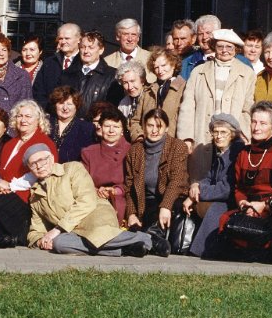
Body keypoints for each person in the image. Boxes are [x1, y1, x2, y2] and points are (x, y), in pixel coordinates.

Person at [26, 143, 168, 257]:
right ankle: (126, 249)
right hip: (72, 230)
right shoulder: (35, 196)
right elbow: (36, 229)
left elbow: (86, 201)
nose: (39, 166)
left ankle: (148, 239)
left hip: (94, 213)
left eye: (42, 160)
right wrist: (41, 241)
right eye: (33, 164)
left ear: (51, 158)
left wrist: (58, 229)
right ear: (30, 169)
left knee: (97, 234)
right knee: (59, 244)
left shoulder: (72, 169)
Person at [219, 101, 272, 258]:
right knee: (224, 221)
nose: (256, 127)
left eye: (263, 123)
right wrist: (243, 203)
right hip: (247, 208)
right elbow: (238, 188)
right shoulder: (244, 153)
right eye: (254, 122)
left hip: (270, 210)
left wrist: (263, 206)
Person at [0, 100, 56, 244]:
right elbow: (1, 172)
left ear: (38, 120)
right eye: (19, 116)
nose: (23, 120)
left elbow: (37, 175)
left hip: (29, 195)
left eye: (28, 116)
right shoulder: (10, 143)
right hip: (6, 191)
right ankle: (4, 238)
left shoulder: (43, 142)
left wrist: (10, 186)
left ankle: (18, 237)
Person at [178, 29, 255, 150]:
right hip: (202, 138)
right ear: (214, 47)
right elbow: (187, 107)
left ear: (236, 49)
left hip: (234, 137)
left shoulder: (247, 73)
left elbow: (248, 108)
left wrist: (244, 133)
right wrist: (186, 138)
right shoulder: (198, 71)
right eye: (220, 46)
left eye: (229, 47)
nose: (224, 50)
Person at [183, 113, 244, 258]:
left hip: (232, 201)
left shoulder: (235, 153)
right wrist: (196, 185)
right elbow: (209, 177)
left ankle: (202, 252)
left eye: (223, 132)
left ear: (232, 134)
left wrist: (196, 193)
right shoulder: (221, 152)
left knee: (216, 209)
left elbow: (226, 188)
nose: (218, 136)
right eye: (215, 132)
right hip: (220, 198)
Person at [124, 108, 188, 242]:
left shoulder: (177, 146)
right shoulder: (135, 150)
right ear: (143, 126)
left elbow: (177, 181)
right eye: (150, 125)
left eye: (159, 126)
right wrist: (131, 214)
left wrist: (165, 206)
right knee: (142, 222)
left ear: (166, 128)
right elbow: (129, 186)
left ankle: (147, 240)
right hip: (146, 201)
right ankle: (150, 241)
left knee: (155, 221)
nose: (154, 131)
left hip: (170, 198)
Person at [81, 108, 131, 224]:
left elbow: (135, 182)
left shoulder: (131, 151)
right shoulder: (89, 152)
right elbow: (82, 180)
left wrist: (115, 191)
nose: (111, 131)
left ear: (122, 130)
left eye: (116, 127)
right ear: (100, 128)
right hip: (96, 199)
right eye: (107, 126)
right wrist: (97, 191)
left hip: (123, 200)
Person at [58, 30, 120, 117]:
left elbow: (112, 109)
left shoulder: (112, 76)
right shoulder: (67, 74)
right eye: (83, 47)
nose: (86, 51)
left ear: (101, 50)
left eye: (91, 47)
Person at [130, 47, 185, 141]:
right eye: (156, 67)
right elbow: (135, 121)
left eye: (164, 65)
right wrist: (139, 137)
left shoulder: (184, 88)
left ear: (173, 65)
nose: (160, 70)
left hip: (172, 146)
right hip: (147, 146)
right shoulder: (147, 92)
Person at [33, 23, 83, 110]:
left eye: (67, 38)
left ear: (79, 39)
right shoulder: (50, 63)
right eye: (60, 38)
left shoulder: (84, 62)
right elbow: (38, 91)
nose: (63, 42)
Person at [48, 86, 95, 163]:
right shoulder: (45, 124)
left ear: (76, 106)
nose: (65, 108)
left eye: (69, 104)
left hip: (72, 172)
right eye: (61, 103)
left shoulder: (87, 128)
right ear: (55, 105)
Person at [104, 18, 156, 83]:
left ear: (138, 37)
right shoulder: (107, 62)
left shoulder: (151, 58)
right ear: (117, 37)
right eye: (126, 34)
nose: (130, 39)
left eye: (133, 34)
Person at [179, 14, 220, 79]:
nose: (204, 37)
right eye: (200, 34)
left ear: (218, 33)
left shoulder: (235, 59)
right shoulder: (186, 64)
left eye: (208, 33)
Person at [115, 60, 147, 125]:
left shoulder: (151, 98)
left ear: (142, 80)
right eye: (125, 83)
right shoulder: (123, 103)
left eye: (132, 81)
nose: (130, 87)